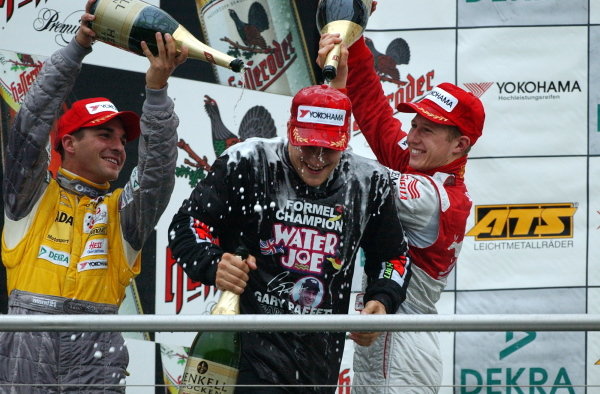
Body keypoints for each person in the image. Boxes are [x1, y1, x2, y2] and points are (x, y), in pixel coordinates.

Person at [168, 84, 412, 393]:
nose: (318, 158)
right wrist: (213, 263)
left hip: (319, 364)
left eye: (330, 147)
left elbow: (393, 256)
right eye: (308, 145)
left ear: (346, 142)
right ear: (290, 130)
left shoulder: (368, 181)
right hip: (246, 352)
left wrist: (381, 299)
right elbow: (187, 225)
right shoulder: (248, 160)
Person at [0, 0, 187, 391]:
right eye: (104, 134)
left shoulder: (122, 213)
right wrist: (76, 49)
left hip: (95, 354)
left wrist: (157, 90)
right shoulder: (30, 198)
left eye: (122, 139)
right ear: (68, 142)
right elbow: (31, 123)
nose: (119, 146)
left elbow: (155, 174)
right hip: (25, 352)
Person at [317, 30, 485, 393]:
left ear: (460, 145)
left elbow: (341, 172)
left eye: (427, 130)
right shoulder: (420, 168)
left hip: (401, 350)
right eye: (413, 124)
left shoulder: (427, 194)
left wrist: (336, 88)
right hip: (389, 337)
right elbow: (377, 116)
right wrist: (354, 38)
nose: (412, 136)